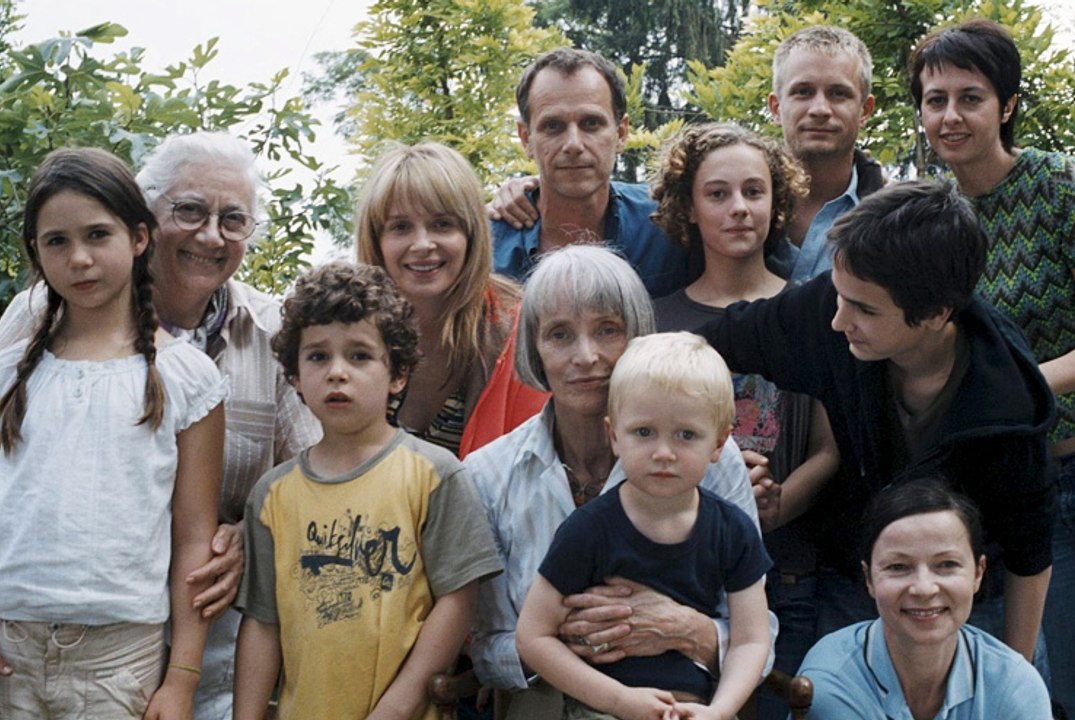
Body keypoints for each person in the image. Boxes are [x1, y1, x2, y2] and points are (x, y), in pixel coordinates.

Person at [0, 131, 322, 719]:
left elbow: (320, 477)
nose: (209, 234)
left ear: (131, 236)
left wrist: (251, 536)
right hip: (21, 638)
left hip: (170, 646)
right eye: (191, 210)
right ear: (147, 218)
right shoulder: (29, 328)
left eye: (232, 219)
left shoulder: (273, 336)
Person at [697, 180, 1055, 663]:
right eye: (840, 296)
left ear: (936, 313)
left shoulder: (1009, 401)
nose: (837, 321)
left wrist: (1015, 671)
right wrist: (711, 454)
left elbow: (1030, 555)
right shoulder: (831, 303)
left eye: (864, 309)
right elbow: (703, 347)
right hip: (853, 584)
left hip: (970, 604)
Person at [466, 245, 767, 719]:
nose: (586, 356)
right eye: (560, 335)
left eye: (608, 330)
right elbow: (487, 646)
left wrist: (688, 630)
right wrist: (570, 640)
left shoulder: (711, 457)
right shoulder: (487, 475)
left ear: (639, 336)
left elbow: (756, 632)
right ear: (535, 350)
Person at [0, 148, 227, 718]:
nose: (79, 259)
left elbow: (195, 537)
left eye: (98, 235)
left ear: (140, 238)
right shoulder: (7, 373)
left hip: (120, 660)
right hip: (9, 648)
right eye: (57, 241)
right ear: (35, 251)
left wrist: (181, 678)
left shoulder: (187, 378)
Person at [232, 261, 503, 720]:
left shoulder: (434, 474)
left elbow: (459, 600)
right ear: (295, 377)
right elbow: (262, 623)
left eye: (359, 355)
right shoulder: (271, 496)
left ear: (397, 373)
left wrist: (399, 706)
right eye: (318, 356)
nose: (337, 372)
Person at [909, 19, 1075, 713]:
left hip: (1065, 475)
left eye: (968, 97)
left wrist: (1016, 387)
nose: (949, 116)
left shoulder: (1057, 187)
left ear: (1004, 104)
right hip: (976, 495)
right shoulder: (928, 211)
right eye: (934, 99)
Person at [650, 122, 839, 720]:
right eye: (718, 194)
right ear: (688, 208)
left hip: (790, 574)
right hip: (683, 582)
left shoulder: (818, 307)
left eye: (754, 192)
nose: (739, 209)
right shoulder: (656, 319)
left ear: (778, 201)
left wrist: (778, 502)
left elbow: (831, 448)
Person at [516, 332, 772, 720]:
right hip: (601, 708)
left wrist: (720, 711)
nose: (664, 453)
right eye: (644, 432)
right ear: (614, 435)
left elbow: (752, 640)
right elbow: (533, 636)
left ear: (719, 443)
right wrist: (618, 700)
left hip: (699, 710)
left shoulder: (732, 530)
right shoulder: (587, 530)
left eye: (686, 435)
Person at [799, 477, 1051, 719]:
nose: (924, 588)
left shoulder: (1014, 684)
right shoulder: (831, 680)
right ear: (869, 579)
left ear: (978, 573)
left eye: (946, 564)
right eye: (898, 567)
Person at [356, 141, 546, 458]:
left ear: (472, 233)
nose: (422, 244)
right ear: (377, 241)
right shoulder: (350, 332)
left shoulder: (523, 329)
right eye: (400, 227)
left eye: (442, 224)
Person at [488, 47, 687, 298]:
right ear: (526, 138)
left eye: (591, 123)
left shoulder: (666, 222)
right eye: (553, 126)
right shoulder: (486, 248)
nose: (573, 144)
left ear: (621, 133)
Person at [764, 25, 884, 282]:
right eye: (803, 92)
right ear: (776, 107)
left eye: (838, 94)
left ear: (865, 110)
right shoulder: (728, 208)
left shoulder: (900, 220)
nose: (819, 109)